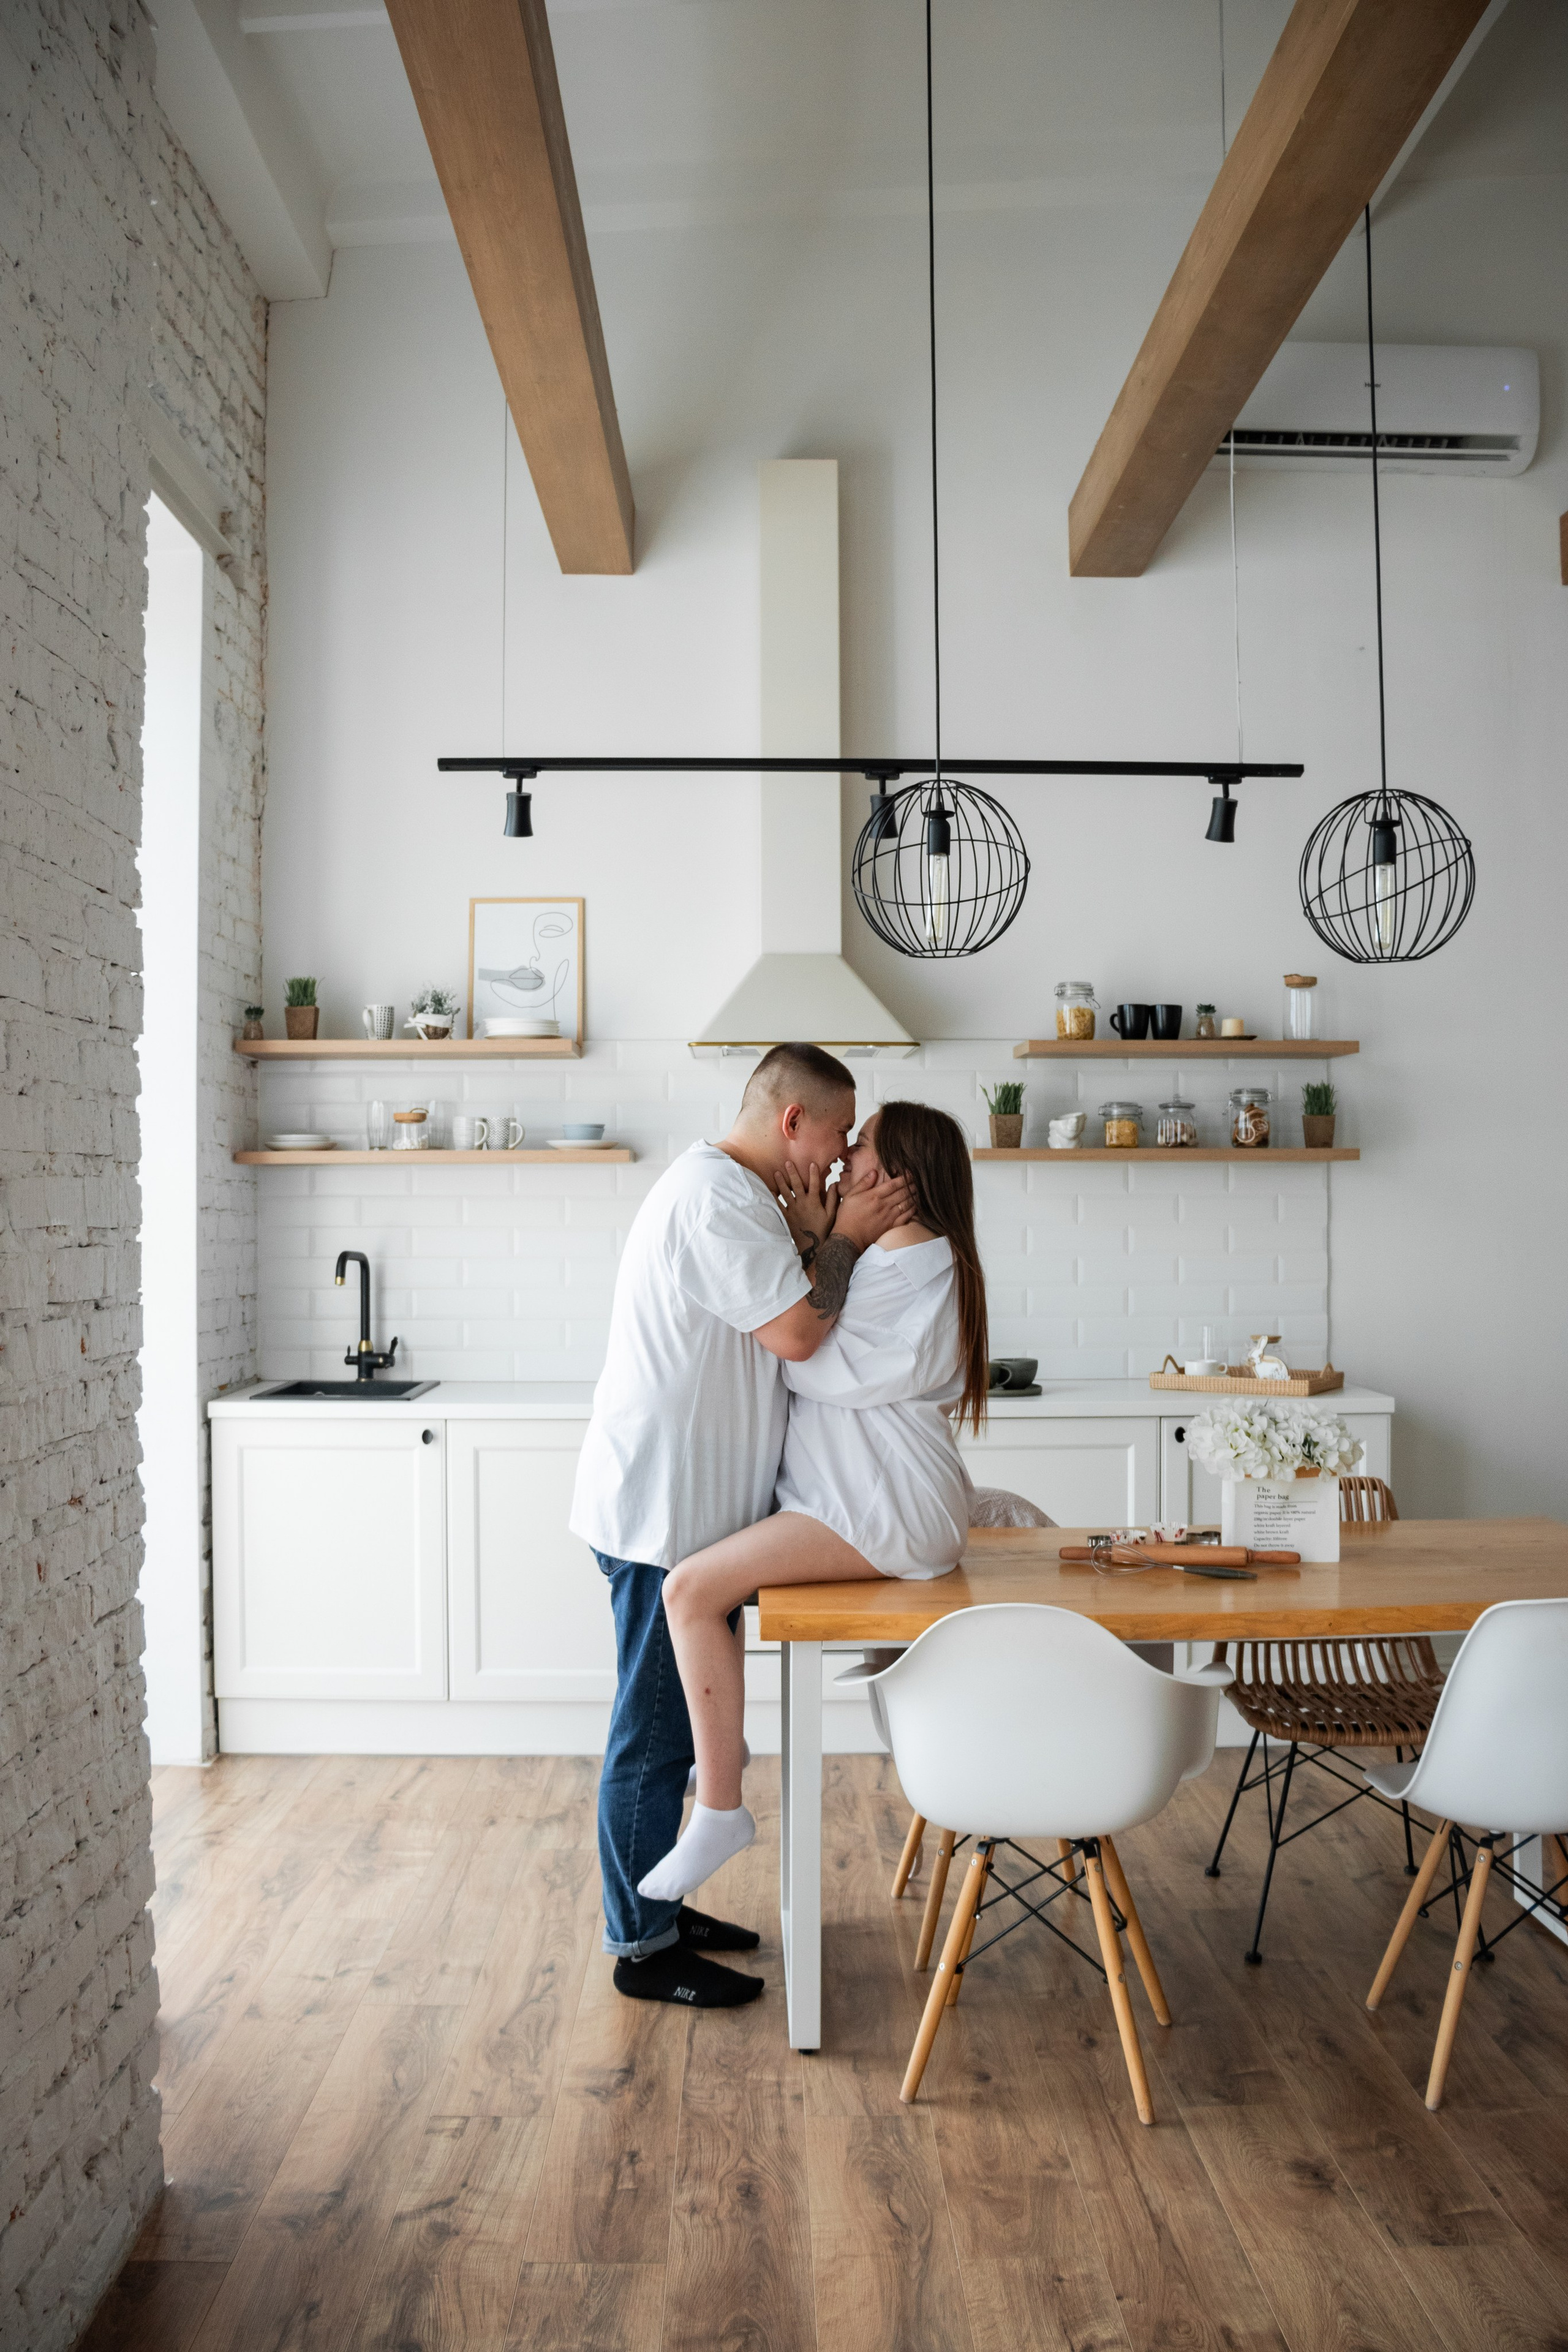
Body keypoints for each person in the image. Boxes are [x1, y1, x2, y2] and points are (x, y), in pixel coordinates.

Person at [570, 1042, 914, 2008]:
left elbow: (792, 1308)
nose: (846, 1157)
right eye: (841, 1131)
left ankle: (663, 1910)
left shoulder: (742, 1198)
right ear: (792, 1119)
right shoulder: (714, 1197)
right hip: (658, 1516)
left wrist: (817, 1231)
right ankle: (642, 1946)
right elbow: (802, 1330)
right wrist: (843, 1231)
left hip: (697, 1520)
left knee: (681, 1732)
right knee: (652, 1739)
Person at [638, 1100, 989, 1905]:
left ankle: (720, 1805)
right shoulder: (911, 1252)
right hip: (871, 1496)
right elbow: (818, 1317)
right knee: (698, 1593)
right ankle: (719, 1777)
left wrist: (831, 1237)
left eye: (861, 1144)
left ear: (894, 1177)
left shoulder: (904, 1252)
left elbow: (807, 1359)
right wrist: (819, 1235)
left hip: (881, 1503)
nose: (845, 1154)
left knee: (689, 1591)